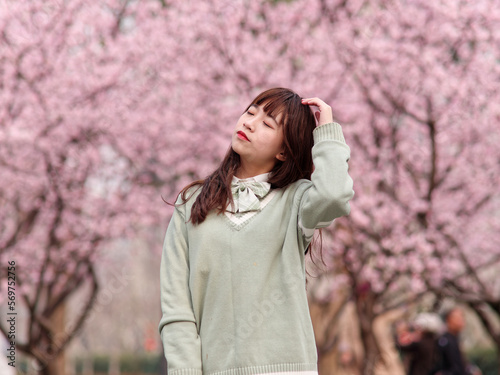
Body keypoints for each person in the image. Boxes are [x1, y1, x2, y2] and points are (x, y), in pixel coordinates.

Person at [158, 87, 355, 375]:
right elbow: (177, 307)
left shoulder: (296, 200)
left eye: (266, 123)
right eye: (250, 112)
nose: (249, 123)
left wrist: (326, 131)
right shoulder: (190, 205)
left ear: (283, 150)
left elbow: (334, 196)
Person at [431, 307, 482, 375]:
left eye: (462, 317)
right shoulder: (445, 341)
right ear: (448, 319)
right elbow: (451, 368)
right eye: (458, 318)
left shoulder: (455, 338)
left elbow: (461, 365)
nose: (462, 320)